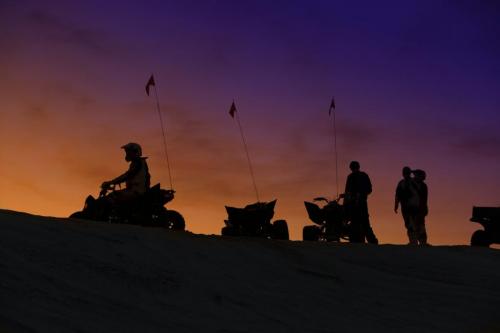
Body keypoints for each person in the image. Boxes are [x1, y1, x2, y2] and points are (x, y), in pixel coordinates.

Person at [344, 161, 378, 244]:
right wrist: (346, 202)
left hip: (361, 203)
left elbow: (369, 189)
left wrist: (361, 194)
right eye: (353, 168)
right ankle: (355, 241)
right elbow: (347, 192)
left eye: (354, 167)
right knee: (354, 224)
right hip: (353, 204)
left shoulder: (363, 176)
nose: (354, 169)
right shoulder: (350, 177)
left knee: (365, 223)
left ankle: (372, 242)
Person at [394, 166, 420, 245]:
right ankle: (413, 241)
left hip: (413, 206)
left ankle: (416, 241)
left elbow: (419, 193)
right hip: (405, 207)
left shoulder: (414, 182)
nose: (405, 174)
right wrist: (396, 205)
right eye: (405, 173)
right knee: (409, 224)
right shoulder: (401, 183)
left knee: (414, 224)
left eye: (407, 172)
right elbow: (397, 195)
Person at [412, 169, 429, 245]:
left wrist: (424, 208)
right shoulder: (410, 184)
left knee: (420, 225)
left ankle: (422, 242)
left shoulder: (423, 186)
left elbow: (424, 199)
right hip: (413, 208)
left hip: (420, 209)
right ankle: (415, 241)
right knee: (414, 225)